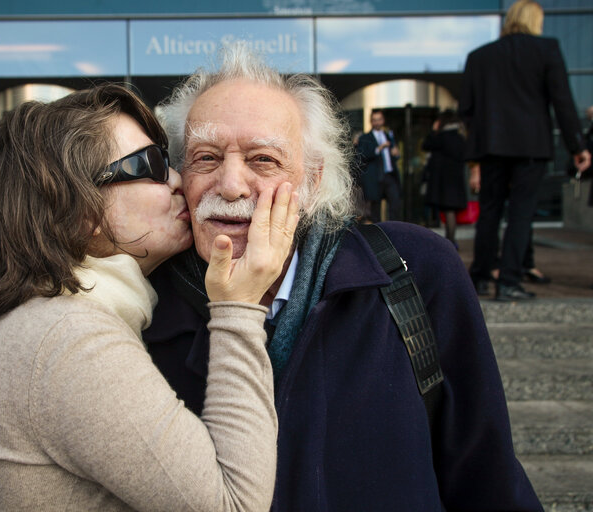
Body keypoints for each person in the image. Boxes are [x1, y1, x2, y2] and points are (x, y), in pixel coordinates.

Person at [143, 43, 542, 511]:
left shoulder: (417, 270)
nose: (230, 185)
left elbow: (487, 476)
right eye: (206, 158)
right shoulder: (146, 303)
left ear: (312, 182)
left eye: (263, 160)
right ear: (181, 176)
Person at [0, 85, 299, 511]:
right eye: (150, 165)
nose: (177, 181)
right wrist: (240, 306)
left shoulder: (47, 321)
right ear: (81, 212)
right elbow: (235, 504)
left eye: (170, 161)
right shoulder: (69, 340)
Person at [460, 0, 591, 301]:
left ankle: (480, 276)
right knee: (521, 213)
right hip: (530, 146)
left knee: (490, 212)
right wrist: (577, 146)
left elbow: (466, 110)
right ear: (535, 20)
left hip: (491, 147)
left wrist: (476, 152)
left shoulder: (479, 56)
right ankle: (508, 281)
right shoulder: (546, 49)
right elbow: (562, 101)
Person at [422, 110, 468, 247]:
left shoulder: (442, 137)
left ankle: (450, 241)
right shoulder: (460, 138)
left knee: (448, 212)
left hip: (444, 182)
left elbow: (426, 145)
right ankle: (451, 240)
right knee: (450, 211)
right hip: (455, 181)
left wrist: (433, 131)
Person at [357, 108, 402, 222]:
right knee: (375, 208)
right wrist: (379, 148)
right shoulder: (365, 138)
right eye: (374, 120)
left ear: (383, 120)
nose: (377, 122)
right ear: (371, 121)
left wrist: (396, 154)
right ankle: (378, 234)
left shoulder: (389, 136)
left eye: (379, 119)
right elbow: (362, 156)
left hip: (389, 175)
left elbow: (393, 156)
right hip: (375, 177)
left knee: (395, 204)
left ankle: (393, 231)